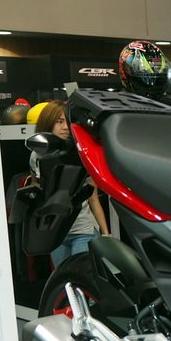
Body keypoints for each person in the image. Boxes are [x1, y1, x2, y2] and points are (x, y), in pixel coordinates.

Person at [30, 100, 108, 267]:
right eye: (59, 122)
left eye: (67, 122)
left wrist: (106, 233)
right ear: (48, 123)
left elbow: (93, 198)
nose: (65, 127)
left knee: (82, 276)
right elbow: (36, 189)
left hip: (83, 230)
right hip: (55, 232)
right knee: (63, 279)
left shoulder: (81, 155)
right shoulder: (36, 156)